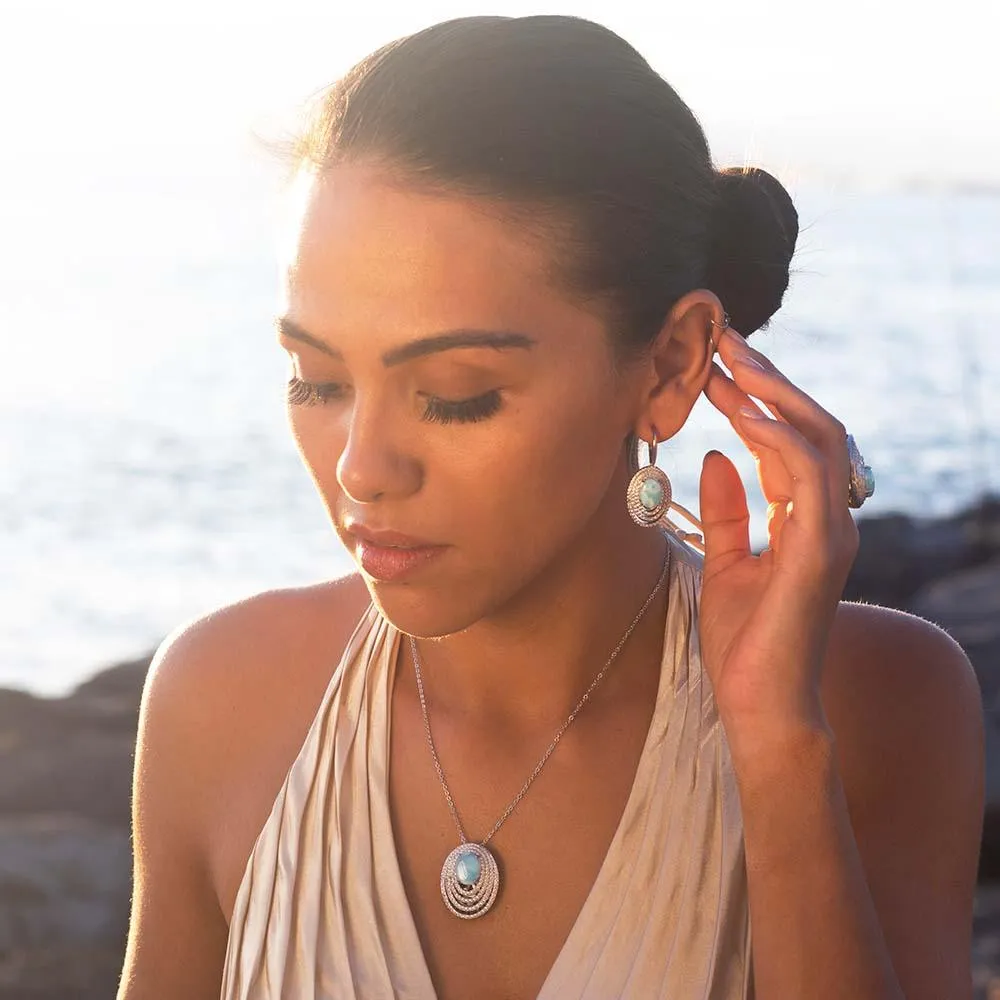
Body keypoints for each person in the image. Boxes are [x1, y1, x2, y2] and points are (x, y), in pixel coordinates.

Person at [116, 15, 984, 1000]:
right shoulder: (219, 701)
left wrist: (781, 752)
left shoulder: (880, 701)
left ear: (668, 364)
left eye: (456, 392)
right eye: (317, 379)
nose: (361, 466)